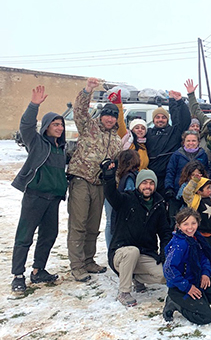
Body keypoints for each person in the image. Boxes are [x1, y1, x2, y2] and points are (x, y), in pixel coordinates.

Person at [11, 85, 67, 293]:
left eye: (61, 124)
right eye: (55, 124)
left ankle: (38, 271)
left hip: (53, 200)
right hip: (35, 197)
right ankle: (18, 275)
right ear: (46, 126)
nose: (59, 128)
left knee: (48, 235)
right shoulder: (37, 143)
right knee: (25, 235)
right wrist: (34, 105)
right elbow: (26, 126)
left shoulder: (61, 149)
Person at [67, 77, 122, 282]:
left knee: (92, 226)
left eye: (113, 116)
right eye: (107, 115)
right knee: (78, 224)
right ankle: (77, 265)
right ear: (102, 116)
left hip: (99, 184)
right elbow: (79, 111)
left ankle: (89, 260)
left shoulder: (117, 140)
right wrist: (87, 90)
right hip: (81, 179)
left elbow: (116, 164)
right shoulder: (89, 127)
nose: (109, 119)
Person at [102, 167, 172, 307]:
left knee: (164, 275)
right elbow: (111, 194)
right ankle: (124, 292)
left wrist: (165, 253)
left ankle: (134, 277)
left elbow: (165, 233)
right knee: (132, 252)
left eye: (151, 183)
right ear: (138, 184)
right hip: (121, 252)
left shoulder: (159, 204)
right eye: (144, 183)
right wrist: (109, 177)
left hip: (145, 253)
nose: (148, 186)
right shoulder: (126, 199)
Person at [163, 208, 211, 324]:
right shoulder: (179, 244)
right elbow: (169, 269)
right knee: (206, 317)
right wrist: (187, 287)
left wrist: (205, 273)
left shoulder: (196, 238)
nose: (190, 227)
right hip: (180, 287)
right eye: (185, 224)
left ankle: (199, 302)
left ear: (198, 223)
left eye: (193, 223)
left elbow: (204, 258)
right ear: (179, 226)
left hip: (195, 279)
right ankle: (176, 303)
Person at [146, 90, 192, 196]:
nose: (160, 120)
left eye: (163, 117)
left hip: (169, 178)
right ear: (153, 120)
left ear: (167, 120)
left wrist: (179, 101)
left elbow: (184, 120)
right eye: (158, 117)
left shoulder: (174, 132)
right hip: (151, 176)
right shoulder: (148, 133)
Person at [165, 130, 209, 222]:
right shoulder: (177, 155)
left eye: (193, 141)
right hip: (178, 192)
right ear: (183, 142)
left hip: (197, 193)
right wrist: (169, 187)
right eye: (188, 141)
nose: (191, 143)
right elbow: (170, 172)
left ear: (198, 142)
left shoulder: (203, 155)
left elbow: (206, 172)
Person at [104, 149, 140, 247]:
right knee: (110, 224)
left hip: (123, 213)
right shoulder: (131, 177)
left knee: (111, 224)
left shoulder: (128, 177)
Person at [107, 90, 150, 169]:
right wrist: (118, 104)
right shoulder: (127, 137)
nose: (140, 130)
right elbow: (120, 121)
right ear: (132, 130)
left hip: (141, 179)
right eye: (136, 128)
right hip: (128, 177)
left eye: (143, 128)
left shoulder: (144, 144)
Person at [182, 176, 211, 247]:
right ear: (199, 191)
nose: (210, 190)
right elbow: (186, 193)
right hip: (198, 231)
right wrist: (194, 181)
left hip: (210, 231)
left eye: (210, 187)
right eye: (207, 188)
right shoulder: (194, 200)